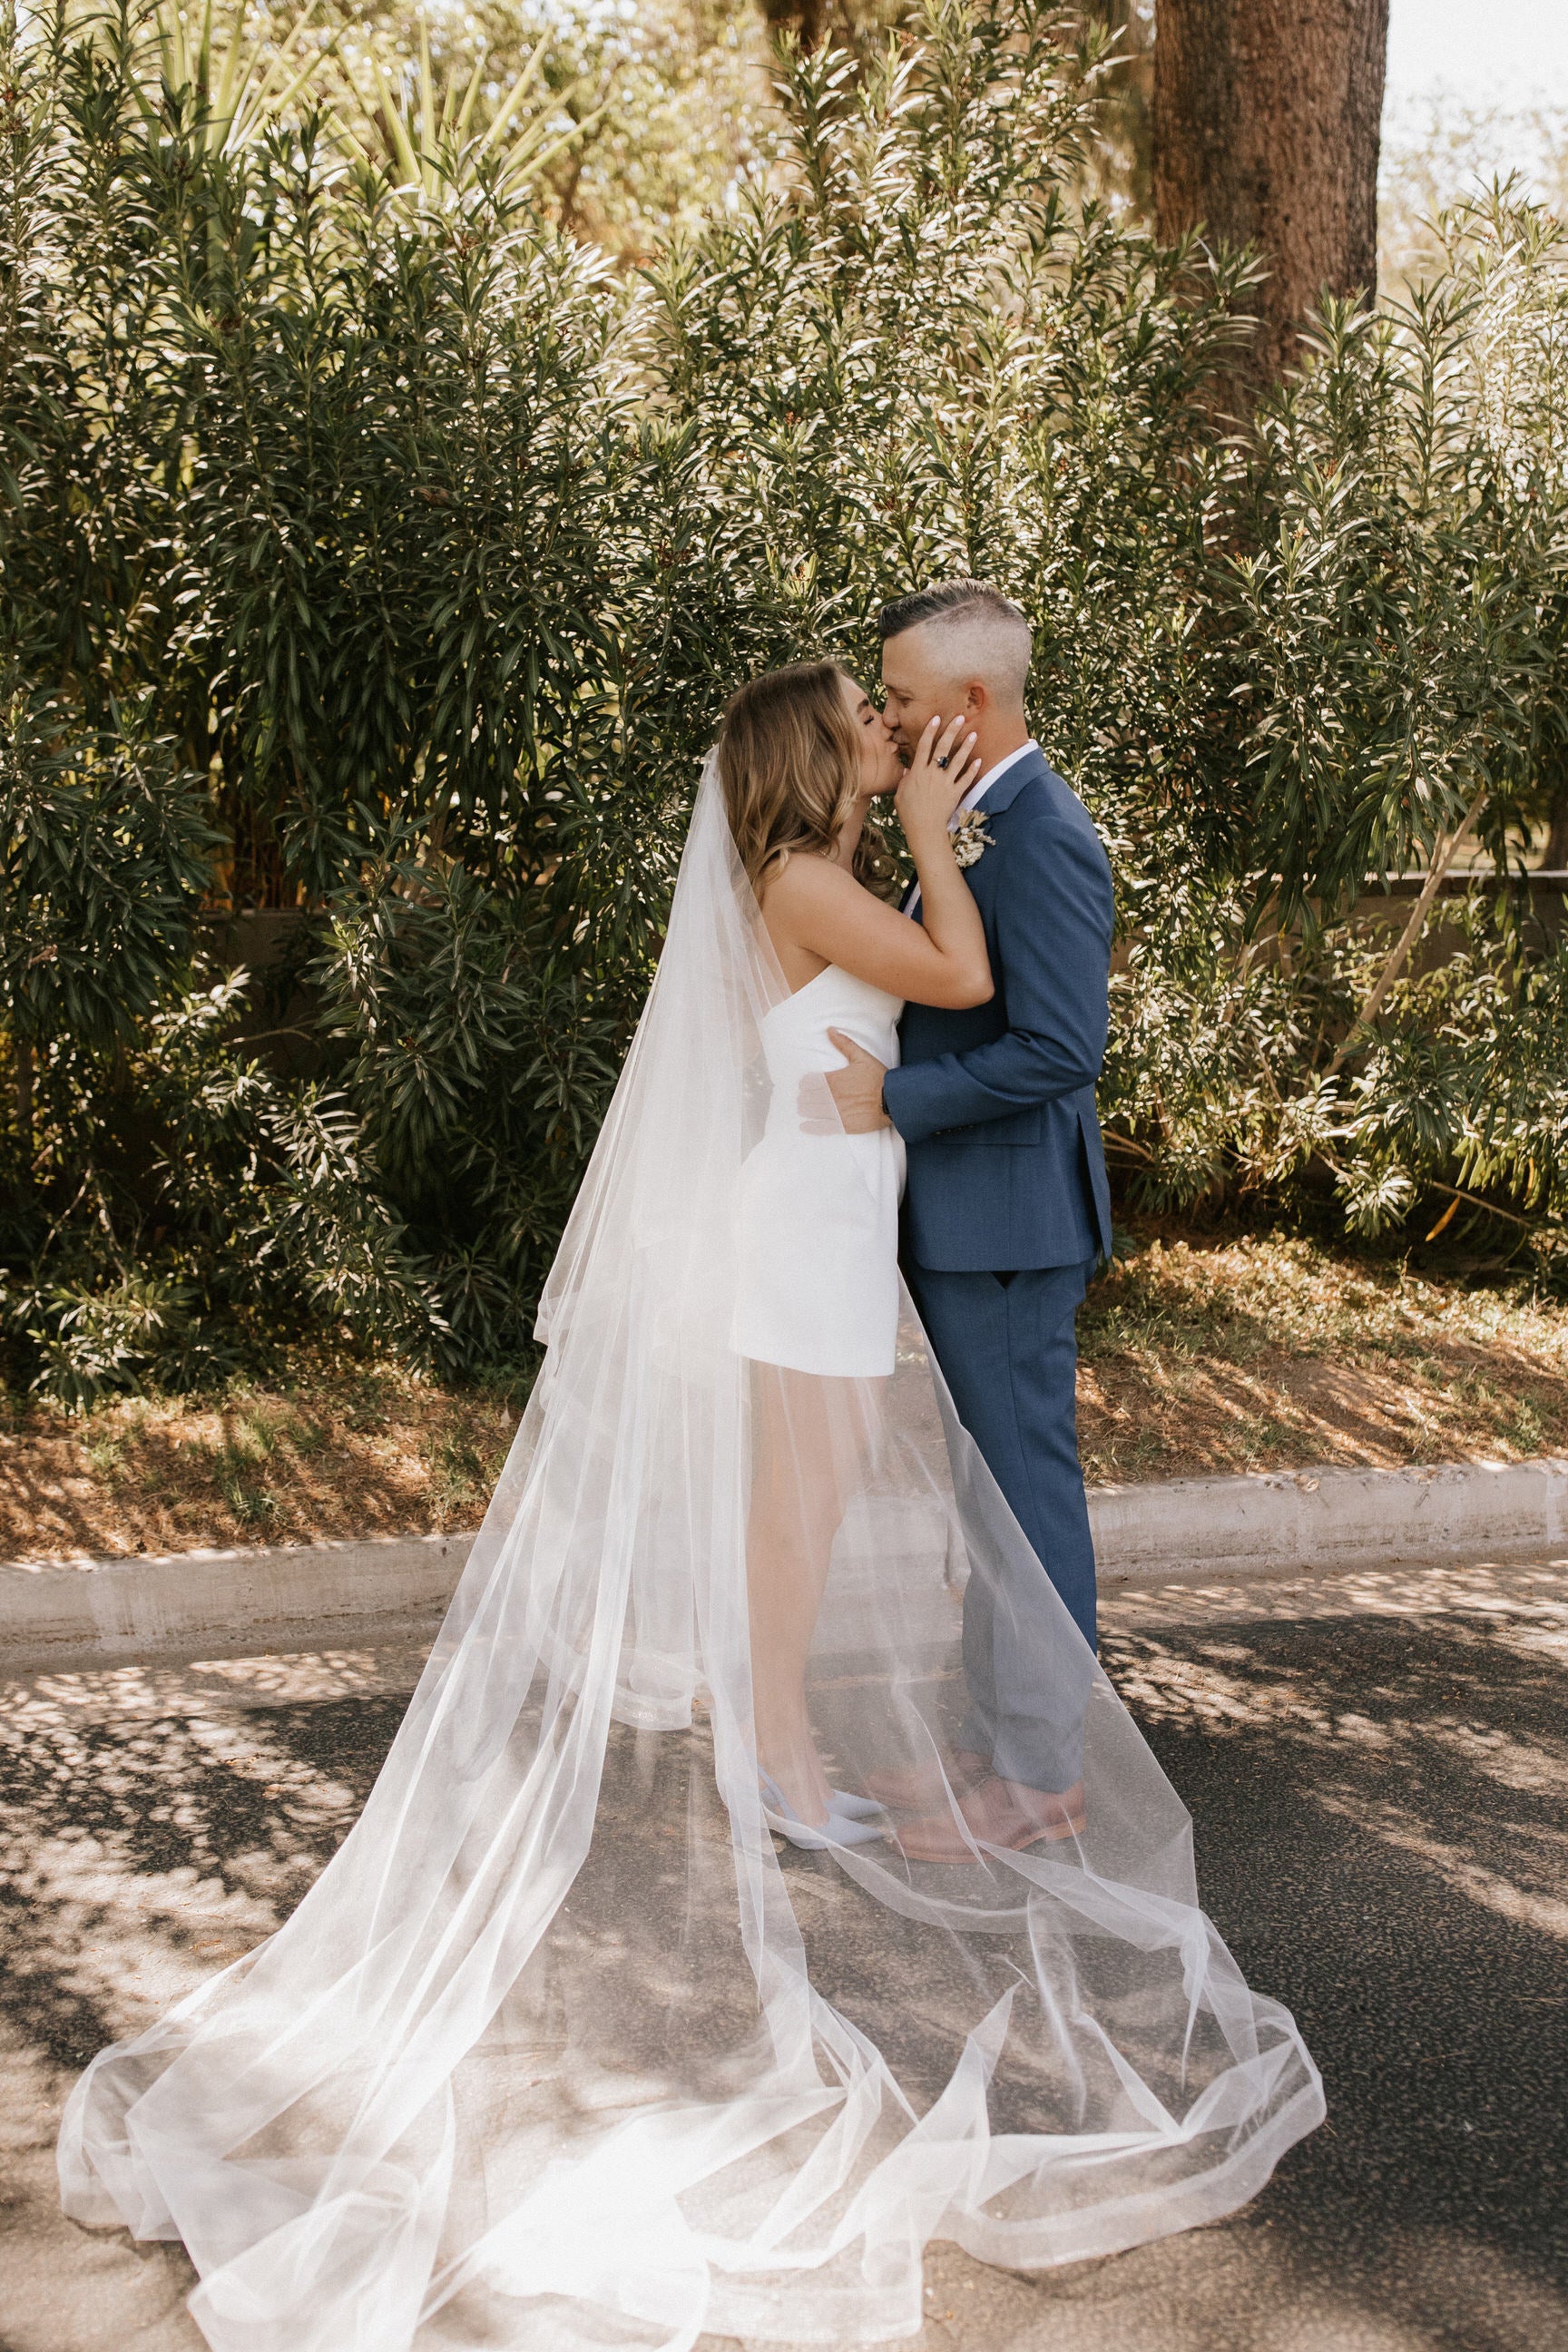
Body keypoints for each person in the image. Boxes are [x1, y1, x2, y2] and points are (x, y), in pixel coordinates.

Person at [59, 646, 1323, 2352]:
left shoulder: (802, 868)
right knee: (796, 1505)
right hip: (806, 1219)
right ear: (820, 755)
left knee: (797, 1501)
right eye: (869, 725)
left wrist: (916, 832)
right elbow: (957, 975)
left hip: (817, 1205)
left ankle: (776, 1743)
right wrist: (944, 833)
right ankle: (781, 1761)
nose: (891, 736)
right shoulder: (815, 875)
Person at [820, 581, 1112, 1860]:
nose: (884, 715)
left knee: (1022, 1505)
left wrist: (897, 1098)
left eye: (898, 696)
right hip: (967, 1224)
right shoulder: (975, 821)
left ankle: (1042, 1780)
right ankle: (999, 1741)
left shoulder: (1042, 838)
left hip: (1008, 1227)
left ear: (971, 704)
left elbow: (1061, 1047)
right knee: (983, 1506)